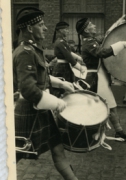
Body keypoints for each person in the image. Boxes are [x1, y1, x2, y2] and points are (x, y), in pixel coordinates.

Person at [13, 7, 78, 180]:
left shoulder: (34, 50)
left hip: (41, 109)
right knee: (13, 155)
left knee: (58, 149)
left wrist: (61, 83)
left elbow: (41, 76)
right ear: (29, 28)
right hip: (28, 110)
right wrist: (56, 102)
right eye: (41, 25)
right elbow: (28, 89)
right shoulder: (24, 53)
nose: (46, 28)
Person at [75, 16, 126, 139]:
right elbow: (101, 53)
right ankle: (93, 133)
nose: (94, 26)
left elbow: (107, 35)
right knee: (102, 106)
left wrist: (118, 22)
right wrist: (121, 44)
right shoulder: (88, 43)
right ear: (86, 30)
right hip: (95, 79)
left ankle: (117, 131)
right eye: (91, 24)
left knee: (110, 105)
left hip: (100, 77)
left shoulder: (91, 40)